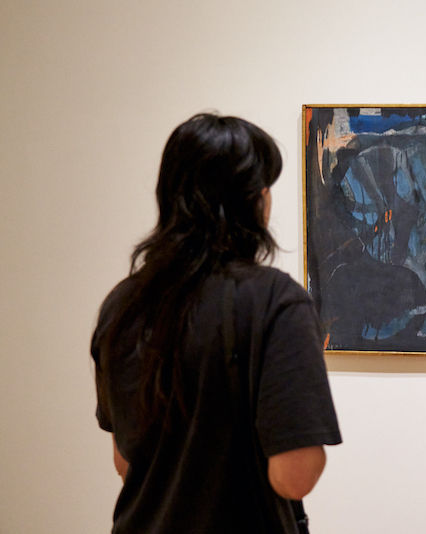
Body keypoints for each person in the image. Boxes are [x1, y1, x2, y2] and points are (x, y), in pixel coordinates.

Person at [91, 113, 341, 533]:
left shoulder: (122, 305)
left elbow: (124, 459)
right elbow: (295, 473)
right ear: (252, 202)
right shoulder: (275, 301)